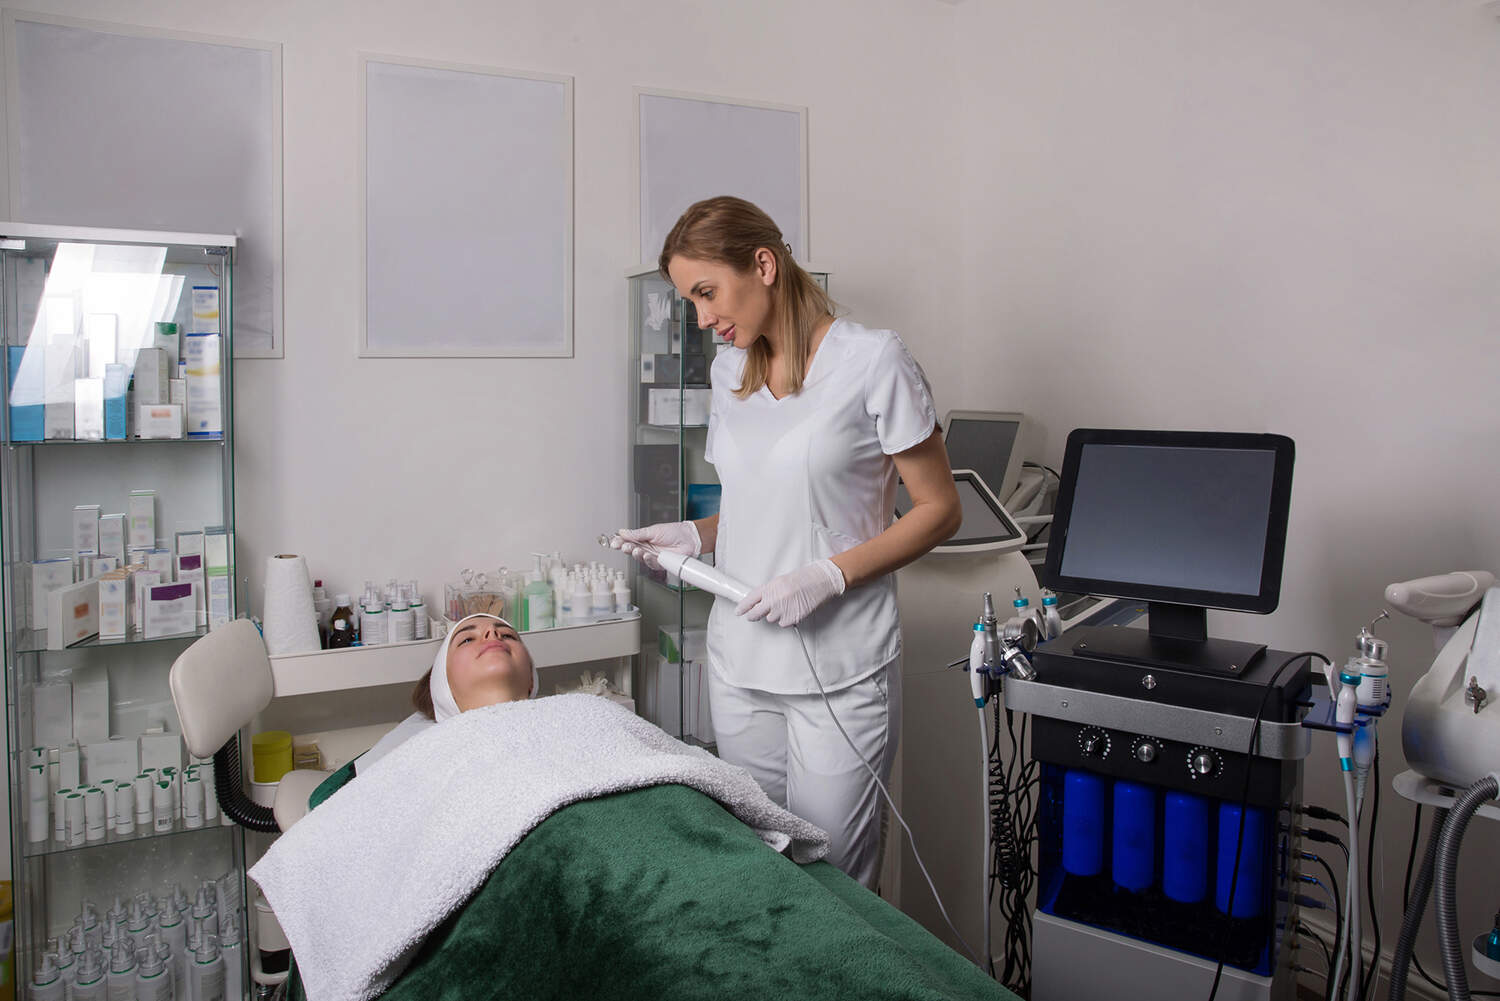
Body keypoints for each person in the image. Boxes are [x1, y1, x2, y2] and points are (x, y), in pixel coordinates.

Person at [615, 195, 962, 889]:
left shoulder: (872, 361)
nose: (702, 317)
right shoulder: (726, 373)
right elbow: (757, 507)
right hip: (741, 663)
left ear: (764, 265)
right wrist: (694, 535)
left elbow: (939, 509)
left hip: (840, 664)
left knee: (834, 881)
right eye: (690, 300)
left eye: (707, 292)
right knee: (762, 871)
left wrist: (827, 576)